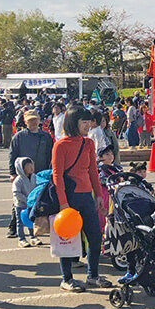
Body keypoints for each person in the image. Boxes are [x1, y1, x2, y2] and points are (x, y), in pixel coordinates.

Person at [52, 106, 111, 292]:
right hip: (68, 198)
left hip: (87, 197)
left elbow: (93, 171)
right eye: (84, 122)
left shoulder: (88, 143)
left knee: (94, 237)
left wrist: (99, 196)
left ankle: (92, 275)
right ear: (72, 122)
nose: (88, 125)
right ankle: (66, 278)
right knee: (67, 239)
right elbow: (57, 175)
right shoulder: (60, 145)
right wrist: (63, 202)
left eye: (89, 122)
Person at [11, 157, 39, 247]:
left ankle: (33, 237)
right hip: (21, 205)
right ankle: (21, 239)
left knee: (31, 220)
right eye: (28, 166)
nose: (31, 167)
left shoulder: (34, 177)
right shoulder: (18, 180)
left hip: (32, 204)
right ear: (22, 168)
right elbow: (16, 193)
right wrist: (27, 200)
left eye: (32, 165)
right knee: (20, 222)